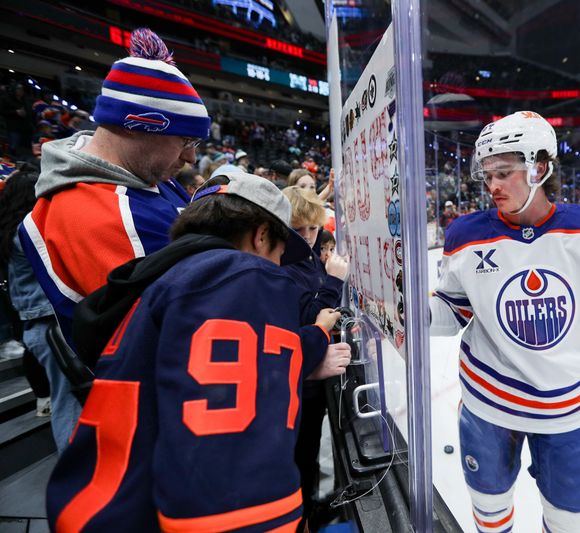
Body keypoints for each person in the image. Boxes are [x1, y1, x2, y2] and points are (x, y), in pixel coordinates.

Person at [47, 172, 352, 532]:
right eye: (281, 250)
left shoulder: (170, 275)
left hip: (110, 505)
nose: (279, 263)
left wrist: (314, 335)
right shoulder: (240, 275)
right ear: (262, 234)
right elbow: (227, 469)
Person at [430, 111, 580, 533]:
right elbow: (452, 311)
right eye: (487, 174)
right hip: (489, 403)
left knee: (572, 522)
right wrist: (401, 310)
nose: (492, 185)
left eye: (504, 172)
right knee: (490, 512)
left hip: (569, 409)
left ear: (539, 167)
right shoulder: (464, 235)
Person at [17, 28, 209, 346]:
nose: (191, 157)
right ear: (136, 125)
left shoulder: (147, 179)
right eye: (185, 140)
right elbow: (181, 330)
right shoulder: (95, 212)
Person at [0, 167, 83, 451]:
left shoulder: (12, 231)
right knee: (69, 403)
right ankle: (78, 476)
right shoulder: (27, 232)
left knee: (69, 399)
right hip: (50, 325)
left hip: (40, 324)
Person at [282, 186, 349, 528]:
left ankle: (309, 509)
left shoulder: (307, 257)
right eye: (300, 229)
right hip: (298, 385)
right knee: (300, 457)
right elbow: (309, 318)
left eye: (313, 228)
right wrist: (333, 283)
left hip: (311, 378)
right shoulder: (284, 265)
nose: (308, 236)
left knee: (309, 454)